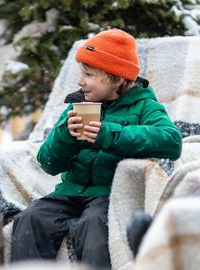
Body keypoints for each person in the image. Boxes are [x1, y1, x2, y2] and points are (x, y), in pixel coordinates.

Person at [11, 29, 182, 268]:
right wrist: (65, 135)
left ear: (117, 78)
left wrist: (109, 134)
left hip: (107, 194)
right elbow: (48, 163)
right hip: (69, 192)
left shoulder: (144, 105)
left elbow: (171, 141)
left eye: (88, 74)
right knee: (31, 218)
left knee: (93, 226)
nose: (80, 81)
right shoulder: (78, 104)